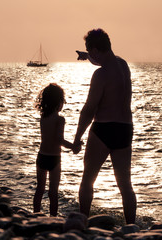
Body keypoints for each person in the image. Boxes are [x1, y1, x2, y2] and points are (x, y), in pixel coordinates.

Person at [74, 29, 137, 224]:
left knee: (87, 180)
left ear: (95, 50)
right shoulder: (123, 65)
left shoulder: (100, 75)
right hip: (125, 129)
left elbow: (89, 110)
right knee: (125, 184)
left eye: (90, 51)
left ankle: (82, 223)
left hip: (103, 129)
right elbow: (107, 60)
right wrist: (89, 57)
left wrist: (77, 138)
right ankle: (131, 227)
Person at [33, 83, 79, 216]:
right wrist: (73, 146)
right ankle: (53, 217)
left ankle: (35, 215)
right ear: (59, 102)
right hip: (54, 159)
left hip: (41, 156)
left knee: (40, 189)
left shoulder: (43, 117)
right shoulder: (60, 120)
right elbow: (59, 140)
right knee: (53, 191)